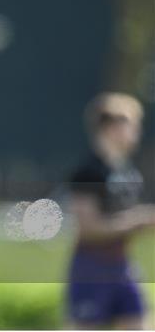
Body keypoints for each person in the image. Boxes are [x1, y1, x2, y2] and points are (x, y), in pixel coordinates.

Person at [67, 92, 155, 330]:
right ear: (112, 128)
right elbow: (88, 229)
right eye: (132, 125)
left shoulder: (128, 173)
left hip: (123, 267)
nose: (137, 133)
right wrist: (136, 222)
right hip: (91, 269)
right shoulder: (88, 172)